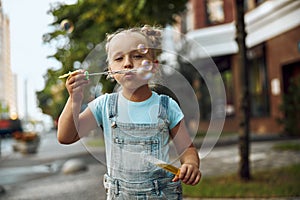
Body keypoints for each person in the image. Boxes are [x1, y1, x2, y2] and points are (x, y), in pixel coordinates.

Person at [57, 25, 201, 199]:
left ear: (154, 66)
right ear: (110, 70)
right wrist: (74, 99)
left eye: (138, 56)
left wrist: (191, 165)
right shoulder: (104, 105)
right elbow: (66, 136)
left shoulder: (166, 106)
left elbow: (187, 150)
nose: (127, 63)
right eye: (119, 58)